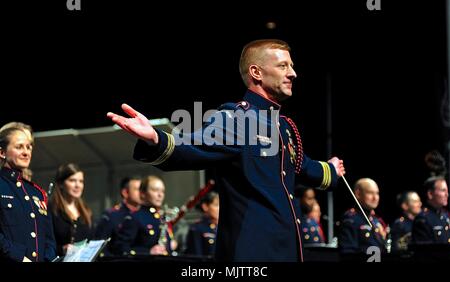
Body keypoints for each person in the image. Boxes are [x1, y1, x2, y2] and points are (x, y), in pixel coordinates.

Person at [107, 39, 346, 262]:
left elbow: (300, 167)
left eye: (291, 66)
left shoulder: (282, 125)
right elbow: (194, 145)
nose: (293, 73)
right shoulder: (238, 118)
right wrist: (155, 138)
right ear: (256, 73)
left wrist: (330, 170)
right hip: (250, 256)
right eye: (283, 66)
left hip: (286, 252)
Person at [0, 127, 56, 261]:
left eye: (28, 147)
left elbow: (49, 240)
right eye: (19, 147)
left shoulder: (38, 192)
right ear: (2, 152)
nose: (26, 152)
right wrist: (19, 257)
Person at [115, 175, 175, 256]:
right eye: (155, 190)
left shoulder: (160, 217)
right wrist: (148, 252)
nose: (160, 195)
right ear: (143, 193)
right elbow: (121, 248)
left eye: (162, 191)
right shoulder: (135, 218)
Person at [49, 163, 93, 256]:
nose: (78, 185)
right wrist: (61, 249)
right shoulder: (51, 209)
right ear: (61, 184)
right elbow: (43, 243)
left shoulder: (86, 211)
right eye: (72, 180)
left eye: (81, 181)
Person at [94, 176, 142, 256]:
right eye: (137, 189)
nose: (142, 193)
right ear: (125, 193)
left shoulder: (143, 216)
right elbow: (101, 246)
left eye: (142, 190)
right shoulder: (112, 216)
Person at [338, 178, 387, 255]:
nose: (375, 197)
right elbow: (348, 253)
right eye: (370, 193)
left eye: (377, 193)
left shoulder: (376, 220)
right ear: (358, 194)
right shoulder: (351, 219)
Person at [412, 176, 450, 244]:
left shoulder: (444, 216)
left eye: (447, 191)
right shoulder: (422, 219)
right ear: (430, 194)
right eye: (443, 190)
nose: (447, 194)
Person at [184, 191, 219, 257]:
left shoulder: (222, 228)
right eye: (216, 205)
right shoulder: (197, 228)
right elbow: (196, 256)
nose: (219, 208)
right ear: (205, 207)